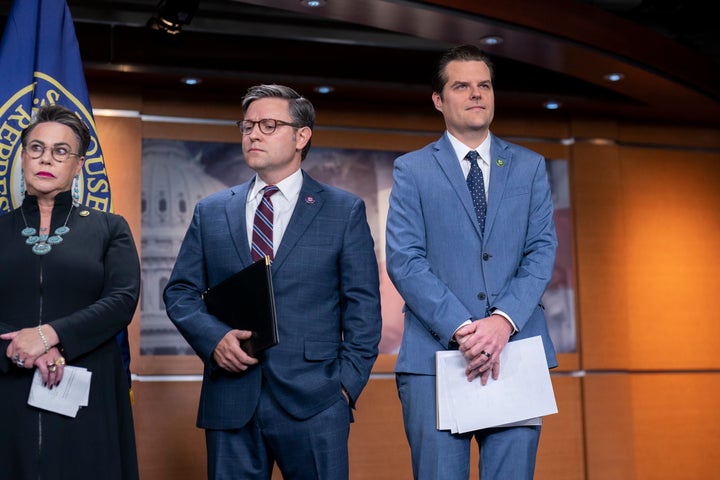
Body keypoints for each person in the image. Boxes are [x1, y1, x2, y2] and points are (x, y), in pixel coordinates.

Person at [163, 84, 382, 480]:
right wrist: (213, 340)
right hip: (231, 397)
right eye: (246, 126)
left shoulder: (342, 209)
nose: (253, 135)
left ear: (302, 136)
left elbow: (363, 308)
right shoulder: (211, 211)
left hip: (317, 400)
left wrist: (345, 388)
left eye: (268, 125)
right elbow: (180, 293)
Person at [385, 44, 559, 479]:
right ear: (439, 100)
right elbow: (405, 259)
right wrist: (464, 330)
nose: (476, 94)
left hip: (514, 352)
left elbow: (542, 250)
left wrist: (502, 322)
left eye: (484, 85)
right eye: (461, 86)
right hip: (436, 358)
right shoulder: (412, 170)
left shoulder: (530, 166)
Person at [0, 104, 141, 479]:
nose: (46, 158)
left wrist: (50, 336)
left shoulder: (110, 228)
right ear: (23, 158)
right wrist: (18, 350)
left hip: (86, 389)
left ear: (78, 165)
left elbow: (122, 299)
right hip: (7, 388)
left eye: (61, 151)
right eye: (36, 148)